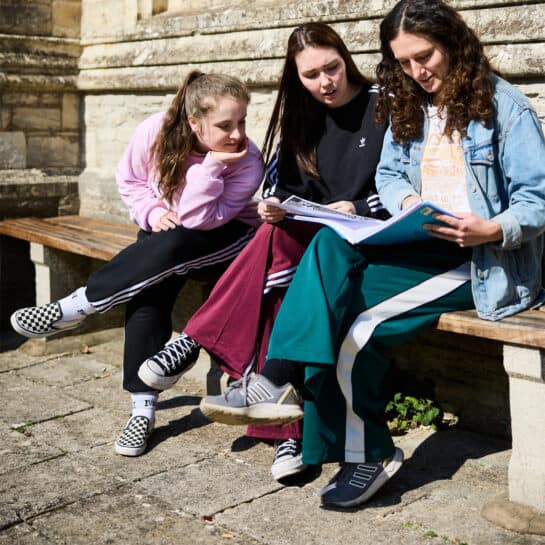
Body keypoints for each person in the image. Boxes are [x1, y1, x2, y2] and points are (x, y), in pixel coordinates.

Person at [198, 0, 545, 508]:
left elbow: (537, 201)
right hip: (417, 241)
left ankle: (365, 453)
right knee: (330, 243)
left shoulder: (505, 108)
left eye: (424, 56)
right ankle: (276, 383)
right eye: (403, 63)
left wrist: (490, 227)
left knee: (357, 331)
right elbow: (391, 174)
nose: (416, 71)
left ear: (453, 43)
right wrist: (406, 203)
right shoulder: (413, 105)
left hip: (478, 260)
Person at [135, 23, 389, 480]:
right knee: (273, 255)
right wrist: (277, 206)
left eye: (331, 68)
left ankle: (197, 341)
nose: (324, 82)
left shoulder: (382, 104)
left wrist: (358, 205)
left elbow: (404, 185)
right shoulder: (302, 116)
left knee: (276, 273)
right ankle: (285, 431)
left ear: (346, 59)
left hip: (363, 236)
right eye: (311, 75)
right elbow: (291, 190)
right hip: (308, 234)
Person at [10, 71, 264, 457]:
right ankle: (142, 409)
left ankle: (76, 307)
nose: (237, 133)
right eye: (225, 125)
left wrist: (213, 165)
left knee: (172, 244)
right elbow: (130, 181)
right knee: (148, 292)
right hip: (168, 237)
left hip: (225, 242)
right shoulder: (157, 131)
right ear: (194, 122)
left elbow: (200, 220)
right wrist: (151, 211)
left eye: (242, 121)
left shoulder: (246, 161)